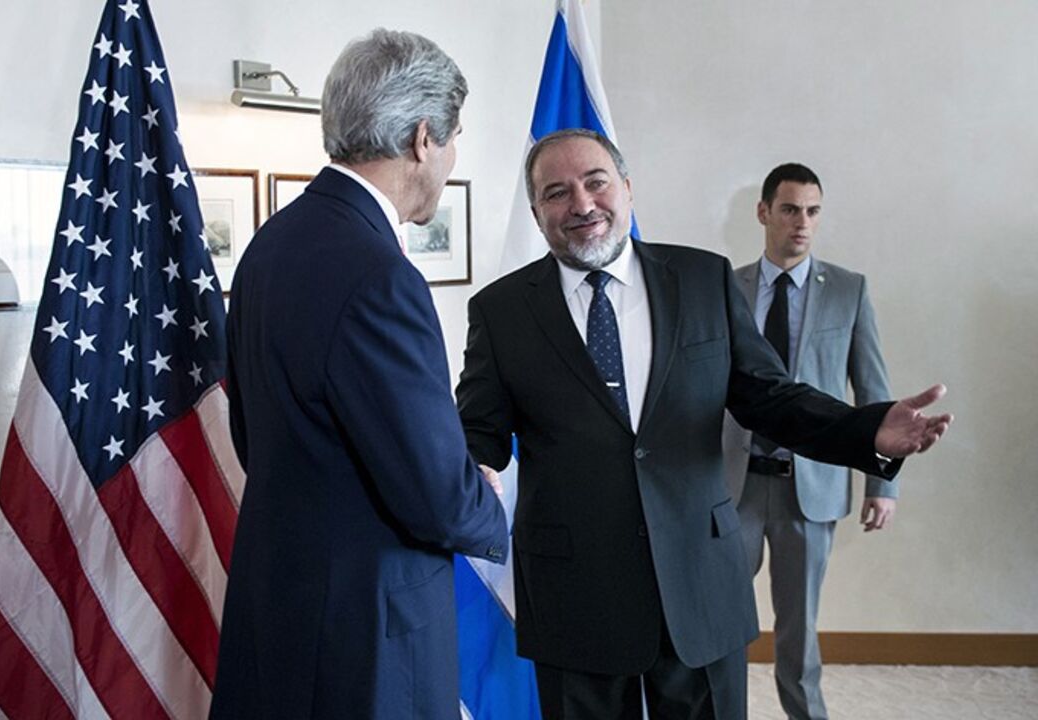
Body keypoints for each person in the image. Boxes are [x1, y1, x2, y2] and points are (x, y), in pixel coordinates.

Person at [455, 129, 951, 720]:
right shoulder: (502, 309)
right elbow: (478, 427)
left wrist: (865, 431)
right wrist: (471, 463)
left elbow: (770, 397)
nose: (582, 205)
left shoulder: (702, 279)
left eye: (596, 183)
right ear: (537, 213)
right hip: (573, 591)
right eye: (557, 193)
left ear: (628, 188)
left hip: (698, 576)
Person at [210, 29, 509, 720]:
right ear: (423, 138)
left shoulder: (268, 245)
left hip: (281, 604)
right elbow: (435, 493)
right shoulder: (381, 277)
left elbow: (254, 438)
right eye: (455, 137)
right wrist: (484, 497)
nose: (450, 157)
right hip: (367, 636)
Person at [720, 163, 894, 720]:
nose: (802, 223)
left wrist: (882, 483)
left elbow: (874, 394)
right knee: (722, 619)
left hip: (810, 488)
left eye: (813, 211)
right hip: (733, 486)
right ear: (763, 212)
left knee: (798, 634)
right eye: (791, 209)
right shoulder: (725, 286)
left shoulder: (848, 290)